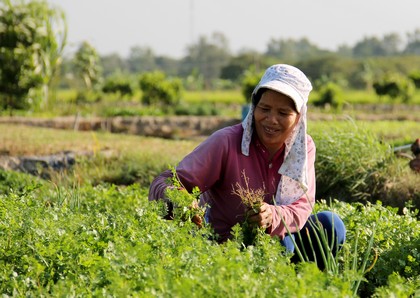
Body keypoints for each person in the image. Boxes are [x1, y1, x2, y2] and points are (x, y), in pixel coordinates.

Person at [149, 64, 346, 268]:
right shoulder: (226, 142)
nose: (271, 120)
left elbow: (302, 207)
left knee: (330, 225)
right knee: (280, 244)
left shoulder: (303, 148)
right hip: (229, 247)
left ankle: (303, 285)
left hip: (282, 241)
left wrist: (272, 216)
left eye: (283, 113)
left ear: (298, 117)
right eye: (265, 109)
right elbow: (164, 181)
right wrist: (178, 197)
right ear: (254, 106)